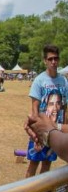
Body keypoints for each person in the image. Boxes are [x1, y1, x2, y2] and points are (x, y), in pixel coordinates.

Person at [25, 45, 68, 178]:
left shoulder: (63, 81)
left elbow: (65, 108)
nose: (53, 62)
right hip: (42, 130)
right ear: (45, 61)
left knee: (47, 163)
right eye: (50, 59)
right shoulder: (39, 81)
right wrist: (37, 136)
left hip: (56, 131)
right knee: (33, 163)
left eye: (56, 58)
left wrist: (64, 128)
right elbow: (34, 110)